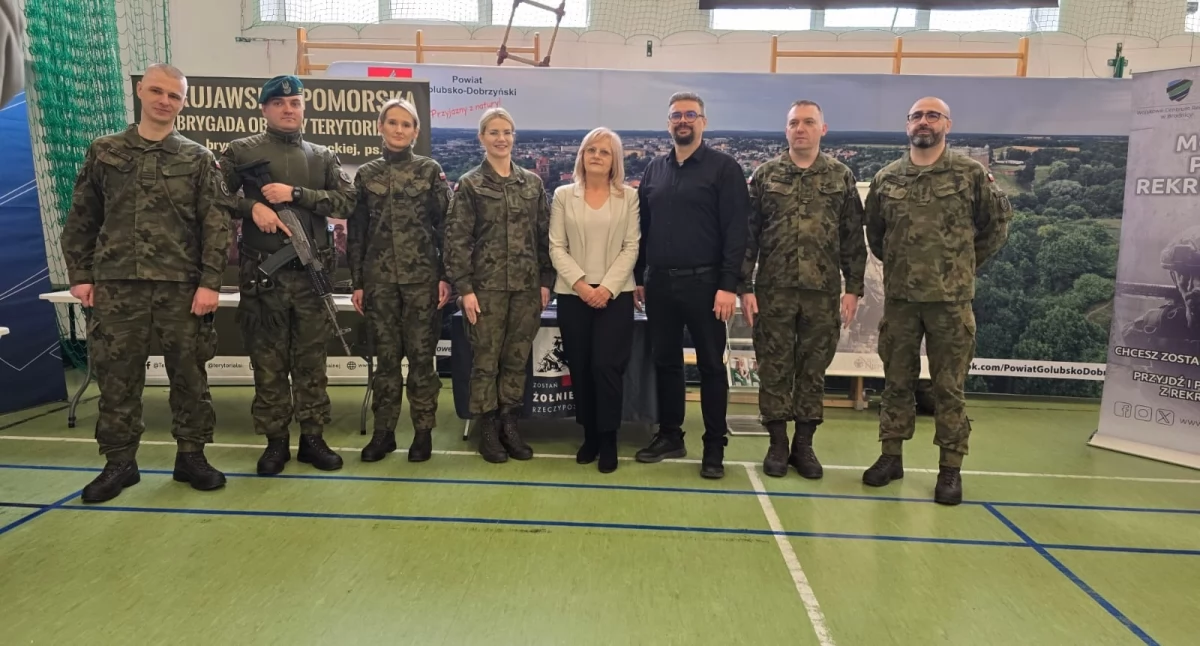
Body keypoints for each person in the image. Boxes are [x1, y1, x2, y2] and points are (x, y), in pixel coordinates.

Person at [61, 63, 232, 503]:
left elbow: (216, 225)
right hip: (117, 284)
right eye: (157, 91)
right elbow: (82, 217)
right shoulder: (105, 151)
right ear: (140, 91)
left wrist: (211, 282)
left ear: (183, 103)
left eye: (174, 96)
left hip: (182, 286)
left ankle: (191, 456)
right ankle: (120, 463)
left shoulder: (196, 158)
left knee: (190, 375)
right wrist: (80, 275)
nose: (164, 101)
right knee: (118, 378)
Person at [863, 96, 1011, 505]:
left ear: (947, 123)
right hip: (901, 301)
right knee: (895, 383)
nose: (923, 122)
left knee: (949, 387)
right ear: (907, 125)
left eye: (932, 115)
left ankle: (950, 469)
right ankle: (890, 457)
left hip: (950, 302)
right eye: (916, 116)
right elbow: (876, 235)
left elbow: (996, 225)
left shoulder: (970, 174)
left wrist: (961, 264)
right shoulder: (887, 178)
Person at [219, 75, 355, 475]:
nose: (288, 109)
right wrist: (252, 208)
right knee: (268, 361)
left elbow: (347, 202)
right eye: (279, 103)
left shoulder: (322, 156)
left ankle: (312, 438)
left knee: (312, 361)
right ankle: (275, 441)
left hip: (311, 275)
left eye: (295, 102)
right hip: (265, 280)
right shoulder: (242, 151)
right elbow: (213, 193)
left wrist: (297, 196)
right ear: (264, 109)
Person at [739, 100, 867, 480]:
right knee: (775, 368)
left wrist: (854, 288)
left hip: (822, 292)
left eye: (809, 122)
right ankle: (778, 444)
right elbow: (749, 236)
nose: (801, 129)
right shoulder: (766, 175)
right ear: (786, 130)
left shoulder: (841, 177)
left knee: (813, 370)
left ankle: (804, 445)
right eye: (794, 123)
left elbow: (851, 237)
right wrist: (744, 285)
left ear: (822, 130)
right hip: (773, 290)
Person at [633, 91, 750, 479]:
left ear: (703, 120)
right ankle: (671, 435)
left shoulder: (724, 168)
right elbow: (642, 228)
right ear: (668, 123)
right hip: (659, 284)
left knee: (711, 369)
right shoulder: (654, 169)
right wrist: (639, 278)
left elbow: (737, 231)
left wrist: (728, 285)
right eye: (675, 115)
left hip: (707, 285)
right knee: (666, 362)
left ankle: (714, 448)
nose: (682, 121)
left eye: (690, 114)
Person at [445, 107, 554, 463]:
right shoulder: (471, 184)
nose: (501, 138)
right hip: (485, 289)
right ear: (482, 138)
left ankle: (510, 425)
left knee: (516, 359)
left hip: (525, 289)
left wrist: (545, 282)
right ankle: (488, 429)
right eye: (493, 132)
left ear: (514, 137)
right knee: (485, 361)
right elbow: (457, 240)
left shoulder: (532, 184)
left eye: (507, 131)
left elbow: (544, 237)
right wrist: (464, 289)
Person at [347, 98, 452, 463]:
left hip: (423, 281)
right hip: (379, 283)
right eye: (392, 122)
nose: (398, 129)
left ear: (416, 132)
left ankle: (422, 433)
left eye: (406, 124)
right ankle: (384, 433)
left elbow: (447, 229)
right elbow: (357, 232)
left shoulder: (429, 171)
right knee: (386, 362)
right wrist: (357, 282)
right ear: (381, 127)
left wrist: (446, 277)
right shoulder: (366, 174)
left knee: (423, 361)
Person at [549, 127, 641, 474]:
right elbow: (556, 246)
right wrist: (583, 285)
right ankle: (589, 434)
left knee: (607, 368)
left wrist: (606, 288)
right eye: (591, 150)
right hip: (574, 294)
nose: (597, 156)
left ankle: (609, 438)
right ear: (582, 156)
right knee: (582, 367)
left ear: (615, 160)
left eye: (605, 151)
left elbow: (631, 246)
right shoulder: (562, 195)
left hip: (615, 296)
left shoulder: (628, 197)